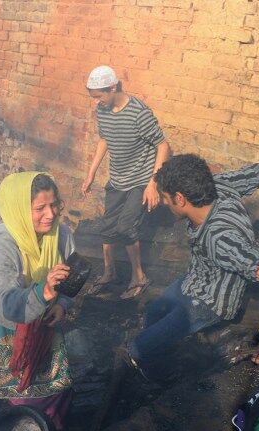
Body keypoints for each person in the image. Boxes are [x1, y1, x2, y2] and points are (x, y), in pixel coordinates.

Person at [126, 154, 259, 381]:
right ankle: (163, 345)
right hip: (194, 280)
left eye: (165, 198)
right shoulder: (219, 185)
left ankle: (162, 376)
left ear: (180, 199)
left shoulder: (220, 238)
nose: (163, 202)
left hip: (210, 302)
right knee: (153, 312)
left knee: (137, 349)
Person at [0, 172, 76, 431]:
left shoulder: (60, 234)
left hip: (48, 322)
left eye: (54, 204)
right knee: (17, 395)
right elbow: (4, 301)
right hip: (11, 329)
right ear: (19, 211)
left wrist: (63, 304)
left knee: (57, 386)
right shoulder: (3, 245)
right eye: (40, 208)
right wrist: (44, 291)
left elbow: (73, 276)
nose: (50, 214)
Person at [81, 65, 170, 299]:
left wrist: (153, 183)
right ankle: (110, 272)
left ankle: (139, 276)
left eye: (99, 96)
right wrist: (91, 173)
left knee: (125, 227)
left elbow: (163, 145)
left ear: (113, 88)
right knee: (108, 227)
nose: (97, 102)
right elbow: (104, 139)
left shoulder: (139, 113)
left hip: (140, 180)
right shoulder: (104, 110)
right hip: (118, 177)